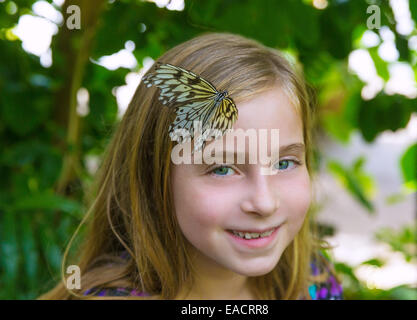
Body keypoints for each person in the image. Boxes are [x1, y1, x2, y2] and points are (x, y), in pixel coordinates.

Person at [40, 32, 343, 300]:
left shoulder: (313, 282)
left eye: (284, 162)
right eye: (222, 169)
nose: (264, 203)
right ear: (154, 178)